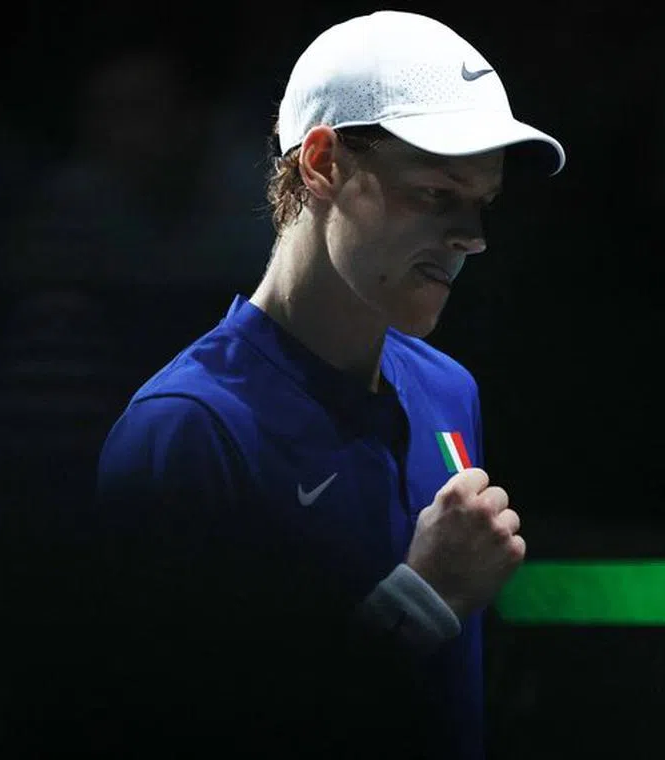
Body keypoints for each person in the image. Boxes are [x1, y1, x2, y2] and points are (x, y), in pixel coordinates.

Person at [95, 10, 565, 759]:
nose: (472, 235)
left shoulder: (449, 392)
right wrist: (423, 599)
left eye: (482, 202)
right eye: (437, 194)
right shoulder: (183, 430)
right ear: (320, 164)